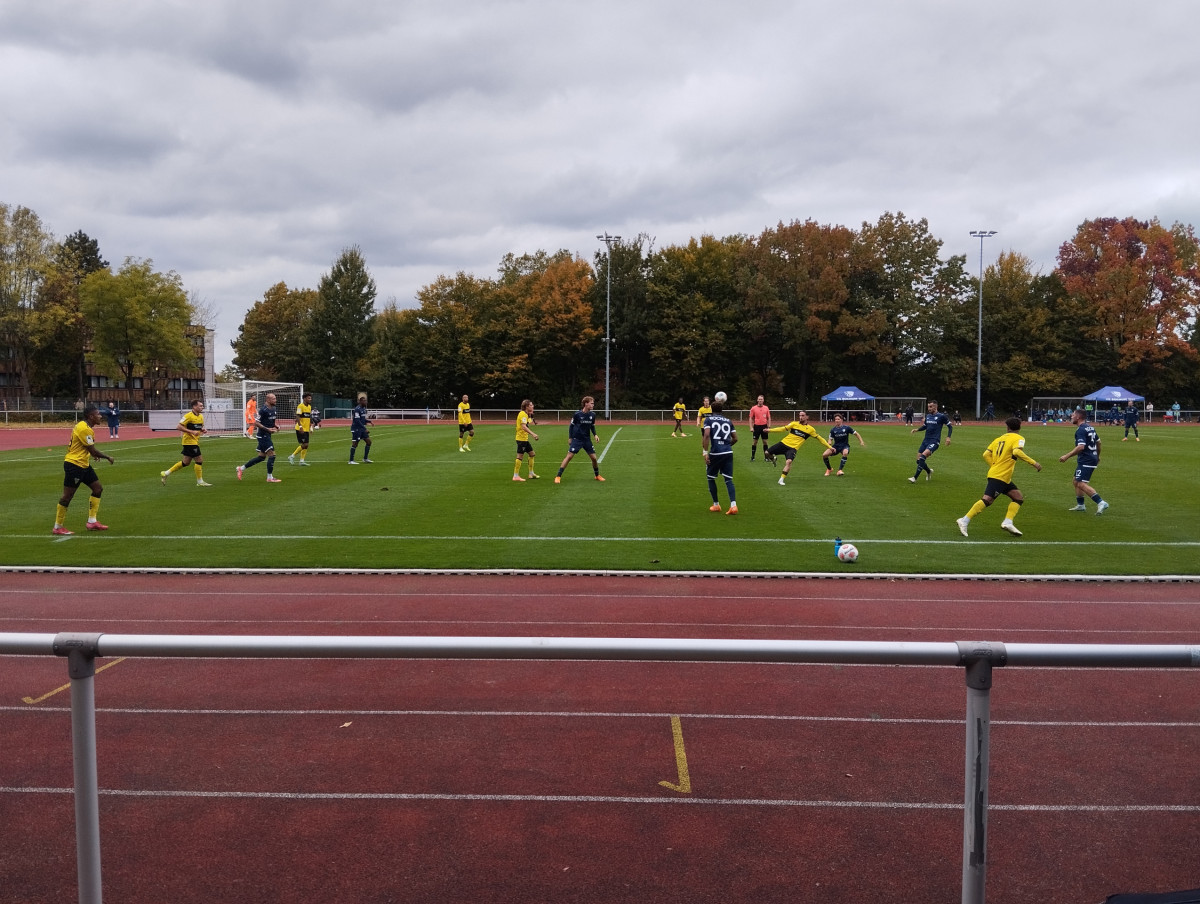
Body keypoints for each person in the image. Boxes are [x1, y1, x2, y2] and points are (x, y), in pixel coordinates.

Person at [956, 417, 1042, 538]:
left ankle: (1008, 522)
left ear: (1008, 427)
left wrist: (994, 465)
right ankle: (964, 520)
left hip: (1002, 476)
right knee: (987, 500)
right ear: (1019, 427)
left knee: (1018, 497)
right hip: (1000, 476)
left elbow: (986, 454)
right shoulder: (1019, 438)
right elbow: (1017, 452)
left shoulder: (999, 439)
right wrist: (1034, 463)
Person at [53, 403, 114, 534]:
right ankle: (58, 527)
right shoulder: (84, 429)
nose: (100, 416)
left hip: (83, 465)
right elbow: (92, 450)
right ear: (91, 416)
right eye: (98, 414)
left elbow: (86, 447)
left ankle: (92, 522)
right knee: (67, 496)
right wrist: (107, 457)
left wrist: (92, 454)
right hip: (74, 465)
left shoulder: (84, 426)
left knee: (97, 489)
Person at [764, 411, 832, 487]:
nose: (800, 417)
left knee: (789, 462)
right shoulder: (794, 424)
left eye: (802, 415)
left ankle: (781, 479)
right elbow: (782, 429)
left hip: (792, 448)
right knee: (766, 453)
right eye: (800, 415)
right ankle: (773, 459)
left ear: (807, 417)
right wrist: (770, 430)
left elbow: (820, 439)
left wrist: (830, 447)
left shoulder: (810, 429)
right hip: (783, 444)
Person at [1060, 407, 1109, 514]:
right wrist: (1097, 455)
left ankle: (1101, 502)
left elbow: (1081, 447)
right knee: (1076, 481)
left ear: (1078, 417)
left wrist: (1066, 456)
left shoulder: (1081, 430)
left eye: (1073, 415)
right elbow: (1099, 442)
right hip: (1090, 458)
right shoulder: (1089, 427)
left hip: (1086, 459)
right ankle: (1081, 505)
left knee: (1081, 483)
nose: (1071, 416)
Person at [160, 399, 212, 487]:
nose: (202, 407)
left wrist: (202, 430)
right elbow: (178, 426)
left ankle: (166, 473)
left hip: (195, 441)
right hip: (189, 442)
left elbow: (199, 427)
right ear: (194, 406)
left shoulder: (201, 416)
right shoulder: (188, 416)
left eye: (202, 406)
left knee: (185, 462)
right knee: (199, 460)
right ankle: (200, 481)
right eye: (200, 406)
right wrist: (192, 432)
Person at [555, 396, 605, 483]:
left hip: (587, 440)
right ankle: (558, 476)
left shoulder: (593, 415)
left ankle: (597, 475)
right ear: (586, 404)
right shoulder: (577, 414)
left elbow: (592, 426)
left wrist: (595, 435)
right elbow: (571, 426)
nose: (593, 405)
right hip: (577, 439)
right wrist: (570, 438)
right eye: (591, 403)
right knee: (569, 456)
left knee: (594, 458)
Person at [702, 396, 737, 514]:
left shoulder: (708, 420)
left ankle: (716, 505)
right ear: (722, 410)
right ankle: (733, 506)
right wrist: (727, 445)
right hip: (728, 452)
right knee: (728, 479)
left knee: (710, 477)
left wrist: (705, 452)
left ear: (711, 409)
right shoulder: (728, 421)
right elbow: (735, 438)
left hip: (716, 452)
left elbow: (706, 435)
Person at [237, 392, 282, 482]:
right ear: (268, 400)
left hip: (267, 434)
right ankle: (269, 478)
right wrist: (267, 429)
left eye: (275, 398)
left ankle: (241, 468)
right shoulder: (263, 410)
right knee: (272, 455)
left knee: (261, 457)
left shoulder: (273, 408)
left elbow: (270, 421)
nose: (275, 400)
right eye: (273, 399)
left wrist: (276, 426)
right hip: (263, 435)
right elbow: (256, 423)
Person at [908, 400, 953, 483]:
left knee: (923, 457)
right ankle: (928, 471)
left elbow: (950, 427)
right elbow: (925, 426)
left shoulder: (941, 416)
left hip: (934, 441)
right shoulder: (928, 416)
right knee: (918, 461)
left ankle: (914, 478)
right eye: (928, 406)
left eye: (931, 407)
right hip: (926, 440)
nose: (929, 408)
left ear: (935, 407)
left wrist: (948, 437)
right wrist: (917, 429)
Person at [512, 399, 540, 481]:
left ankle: (531, 473)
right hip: (521, 439)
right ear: (526, 406)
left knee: (532, 454)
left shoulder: (526, 414)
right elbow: (524, 426)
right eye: (531, 405)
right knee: (520, 456)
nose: (533, 406)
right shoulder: (523, 414)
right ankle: (515, 476)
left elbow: (528, 422)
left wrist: (531, 416)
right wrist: (533, 434)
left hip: (524, 439)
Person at [290, 392, 315, 465]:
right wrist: (300, 427)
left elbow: (309, 417)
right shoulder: (300, 406)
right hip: (300, 428)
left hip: (306, 429)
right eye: (309, 398)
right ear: (304, 398)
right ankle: (292, 456)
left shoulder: (309, 407)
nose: (310, 399)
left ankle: (302, 461)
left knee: (306, 445)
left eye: (310, 398)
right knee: (305, 444)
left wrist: (311, 426)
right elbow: (297, 416)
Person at [348, 394, 374, 463]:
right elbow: (357, 420)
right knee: (355, 444)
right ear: (360, 402)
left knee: (369, 442)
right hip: (356, 429)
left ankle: (365, 458)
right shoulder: (357, 409)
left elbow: (362, 419)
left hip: (361, 429)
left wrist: (369, 421)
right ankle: (351, 460)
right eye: (364, 401)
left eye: (366, 401)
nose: (366, 402)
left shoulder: (363, 409)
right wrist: (365, 428)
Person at [748, 394, 770, 461]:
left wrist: (769, 427)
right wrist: (751, 427)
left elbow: (769, 418)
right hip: (756, 426)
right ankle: (753, 457)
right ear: (757, 400)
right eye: (759, 399)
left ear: (763, 400)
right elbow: (750, 418)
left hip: (764, 426)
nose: (760, 400)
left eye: (761, 399)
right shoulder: (753, 408)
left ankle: (766, 457)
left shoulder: (766, 408)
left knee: (765, 442)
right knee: (755, 442)